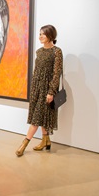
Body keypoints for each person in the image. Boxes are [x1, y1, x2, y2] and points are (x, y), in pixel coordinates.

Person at [16, 25, 63, 157]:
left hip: (47, 88)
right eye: (40, 34)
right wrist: (33, 89)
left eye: (43, 34)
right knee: (41, 115)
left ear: (51, 36)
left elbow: (56, 73)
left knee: (36, 119)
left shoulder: (57, 52)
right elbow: (36, 71)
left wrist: (51, 92)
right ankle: (45, 141)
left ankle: (24, 144)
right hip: (36, 87)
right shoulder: (39, 51)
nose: (40, 36)